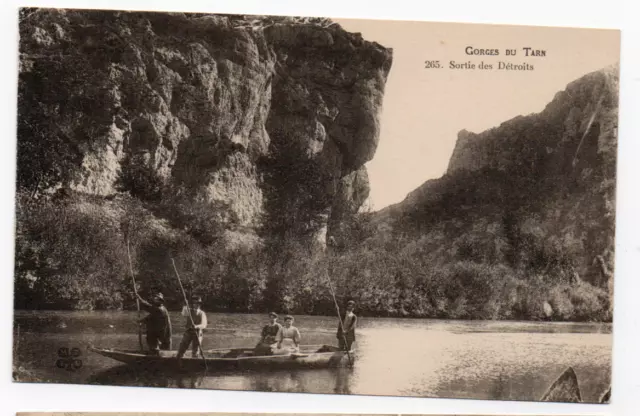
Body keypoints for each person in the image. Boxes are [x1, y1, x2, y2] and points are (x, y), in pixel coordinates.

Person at [176, 295, 208, 362]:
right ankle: (179, 359)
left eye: (197, 303)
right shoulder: (189, 311)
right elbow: (183, 313)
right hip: (189, 331)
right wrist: (185, 304)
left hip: (198, 332)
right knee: (182, 347)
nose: (195, 305)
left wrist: (196, 326)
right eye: (194, 303)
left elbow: (204, 325)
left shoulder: (202, 313)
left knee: (195, 349)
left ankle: (194, 361)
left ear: (200, 304)